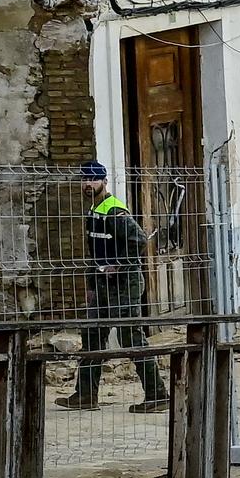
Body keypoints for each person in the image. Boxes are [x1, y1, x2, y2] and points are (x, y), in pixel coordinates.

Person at [66, 162, 168, 412]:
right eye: (85, 180)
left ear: (104, 182)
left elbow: (139, 241)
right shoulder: (94, 211)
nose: (88, 184)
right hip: (102, 285)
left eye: (93, 180)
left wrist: (118, 265)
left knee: (130, 338)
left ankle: (157, 395)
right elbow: (95, 254)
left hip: (124, 286)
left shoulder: (114, 210)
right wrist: (92, 284)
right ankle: (85, 395)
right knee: (91, 336)